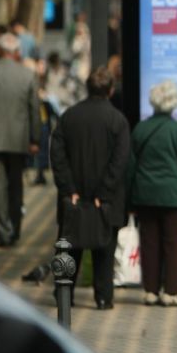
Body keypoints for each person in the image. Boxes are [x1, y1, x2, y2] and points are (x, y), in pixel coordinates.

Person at [50, 65, 131, 309]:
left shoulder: (69, 116)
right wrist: (103, 192)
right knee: (104, 252)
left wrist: (69, 189)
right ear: (110, 89)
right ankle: (103, 297)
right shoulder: (118, 120)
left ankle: (64, 294)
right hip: (106, 201)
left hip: (73, 199)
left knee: (69, 248)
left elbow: (57, 155)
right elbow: (120, 161)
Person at [127, 79, 177, 307]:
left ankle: (150, 291)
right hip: (173, 196)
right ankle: (170, 292)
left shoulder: (141, 128)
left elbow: (130, 165)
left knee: (149, 243)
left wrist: (130, 197)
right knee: (173, 244)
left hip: (145, 195)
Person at [0, 33, 40, 246]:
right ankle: (15, 227)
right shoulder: (28, 75)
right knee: (16, 185)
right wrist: (35, 139)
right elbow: (34, 110)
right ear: (16, 52)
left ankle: (3, 231)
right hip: (18, 140)